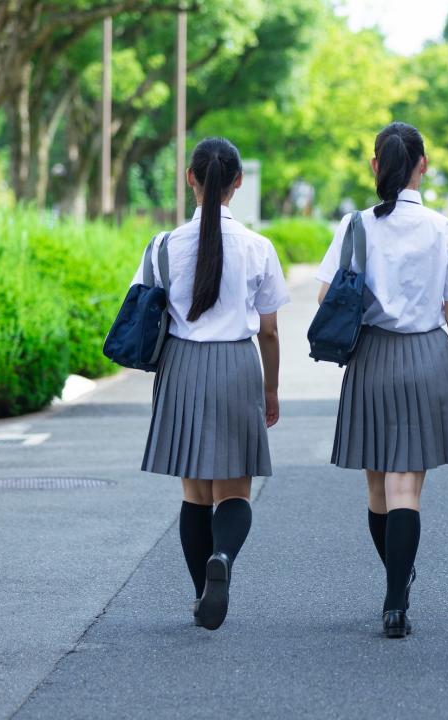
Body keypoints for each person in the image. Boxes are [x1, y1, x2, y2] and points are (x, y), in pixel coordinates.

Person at [314, 122, 448, 639]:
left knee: (378, 487)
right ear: (423, 165)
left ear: (375, 166)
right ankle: (395, 599)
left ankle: (395, 587)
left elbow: (324, 299)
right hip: (429, 357)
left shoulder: (354, 226)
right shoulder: (444, 230)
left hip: (371, 359)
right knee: (408, 485)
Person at [137, 137, 289, 631]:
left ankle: (202, 593)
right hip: (236, 367)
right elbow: (268, 329)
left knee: (194, 493)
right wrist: (271, 389)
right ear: (238, 182)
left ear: (191, 179)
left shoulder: (161, 246)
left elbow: (145, 310)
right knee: (235, 490)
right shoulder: (258, 247)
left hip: (182, 367)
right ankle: (222, 556)